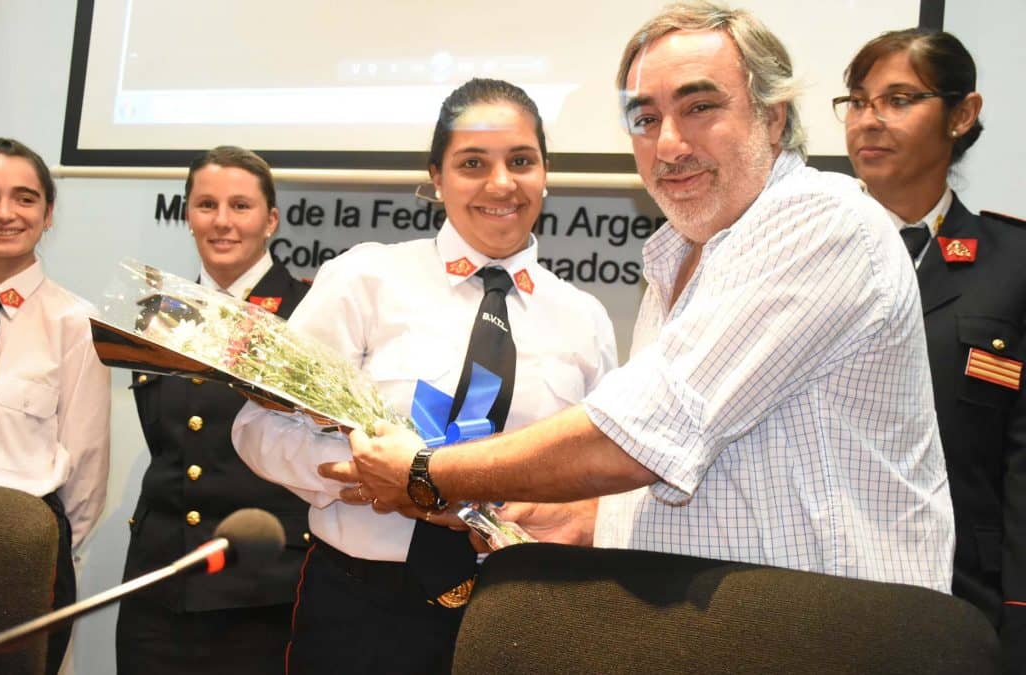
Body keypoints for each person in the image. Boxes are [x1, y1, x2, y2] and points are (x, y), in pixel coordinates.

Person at [331, 0, 956, 594]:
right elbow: (702, 464)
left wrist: (428, 473)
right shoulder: (678, 252)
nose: (670, 145)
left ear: (774, 117)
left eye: (700, 107)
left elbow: (639, 436)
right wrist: (593, 521)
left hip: (836, 633)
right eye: (646, 118)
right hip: (735, 626)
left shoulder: (821, 223)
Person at [232, 78, 617, 673]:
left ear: (545, 172)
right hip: (364, 610)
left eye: (521, 161)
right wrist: (360, 473)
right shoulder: (365, 280)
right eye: (472, 163)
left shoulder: (585, 320)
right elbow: (259, 426)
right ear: (436, 177)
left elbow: (603, 469)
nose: (501, 184)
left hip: (524, 610)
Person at [839, 29, 1026, 670]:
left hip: (961, 591)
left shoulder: (1013, 264)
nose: (869, 121)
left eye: (898, 99)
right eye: (858, 101)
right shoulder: (804, 252)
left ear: (962, 114)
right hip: (817, 573)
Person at [115, 146, 312, 675]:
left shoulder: (308, 314)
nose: (222, 222)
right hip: (159, 584)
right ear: (187, 215)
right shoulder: (158, 313)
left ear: (271, 219)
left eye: (241, 206)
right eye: (206, 205)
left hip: (263, 590)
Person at [0, 137, 110, 674]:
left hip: (14, 563)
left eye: (24, 198)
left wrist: (39, 552)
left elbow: (85, 472)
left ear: (48, 213)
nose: (4, 213)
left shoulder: (76, 326)